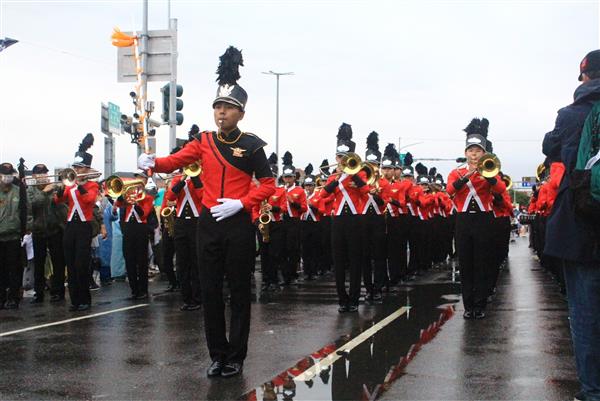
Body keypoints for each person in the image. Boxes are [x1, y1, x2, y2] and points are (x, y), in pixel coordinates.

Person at [138, 46, 276, 378]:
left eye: (228, 108)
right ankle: (217, 354)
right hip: (209, 224)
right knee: (210, 290)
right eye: (217, 107)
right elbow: (175, 162)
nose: (221, 113)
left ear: (240, 113)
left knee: (239, 291)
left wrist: (243, 203)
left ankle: (237, 355)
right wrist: (152, 162)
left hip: (239, 223)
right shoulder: (203, 141)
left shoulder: (253, 145)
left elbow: (269, 185)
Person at [542, 49, 600, 401]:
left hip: (580, 227)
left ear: (584, 78)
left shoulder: (569, 115)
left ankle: (593, 391)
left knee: (585, 314)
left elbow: (551, 147)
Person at [447, 118, 505, 320]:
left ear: (484, 153)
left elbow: (500, 189)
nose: (474, 154)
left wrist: (487, 176)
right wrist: (467, 176)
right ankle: (468, 305)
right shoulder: (456, 172)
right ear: (465, 153)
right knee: (466, 263)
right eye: (471, 150)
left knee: (482, 262)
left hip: (484, 220)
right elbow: (450, 191)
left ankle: (480, 304)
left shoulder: (489, 170)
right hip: (463, 221)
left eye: (478, 151)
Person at [321, 123, 369, 313]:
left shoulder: (360, 173)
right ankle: (342, 299)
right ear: (336, 158)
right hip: (338, 222)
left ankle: (355, 299)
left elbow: (366, 191)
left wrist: (354, 175)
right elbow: (323, 196)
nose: (342, 160)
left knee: (355, 260)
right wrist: (339, 177)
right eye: (340, 157)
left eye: (346, 157)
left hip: (356, 221)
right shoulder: (333, 178)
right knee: (339, 261)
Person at [54, 134, 99, 311]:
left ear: (87, 170)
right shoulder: (69, 185)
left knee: (81, 263)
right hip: (70, 226)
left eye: (79, 168)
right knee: (70, 263)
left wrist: (79, 184)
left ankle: (85, 299)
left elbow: (89, 200)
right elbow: (59, 201)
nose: (76, 170)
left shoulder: (92, 185)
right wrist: (59, 190)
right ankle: (74, 299)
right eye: (75, 167)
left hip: (84, 226)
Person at [164, 151, 203, 311]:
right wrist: (181, 180)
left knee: (196, 262)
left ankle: (197, 298)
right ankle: (186, 298)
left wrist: (195, 178)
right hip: (180, 223)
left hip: (196, 222)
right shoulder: (176, 180)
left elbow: (204, 196)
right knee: (181, 263)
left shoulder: (201, 179)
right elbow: (170, 197)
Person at [113, 171, 155, 300]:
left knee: (141, 261)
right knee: (129, 260)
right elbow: (118, 204)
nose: (138, 180)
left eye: (141, 178)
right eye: (136, 178)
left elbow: (144, 214)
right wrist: (121, 194)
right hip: (128, 228)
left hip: (140, 228)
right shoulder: (127, 194)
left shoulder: (147, 196)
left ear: (146, 180)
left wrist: (136, 203)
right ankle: (133, 289)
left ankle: (143, 290)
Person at [0, 162, 29, 309]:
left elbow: (25, 210)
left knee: (14, 269)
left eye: (9, 175)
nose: (7, 177)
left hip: (13, 235)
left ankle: (13, 297)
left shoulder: (19, 191)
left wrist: (24, 230)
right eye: (4, 175)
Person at [279, 151, 306, 285]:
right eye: (286, 177)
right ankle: (285, 276)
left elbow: (304, 208)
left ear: (294, 178)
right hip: (281, 221)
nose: (288, 179)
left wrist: (293, 202)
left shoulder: (299, 191)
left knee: (293, 248)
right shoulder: (279, 190)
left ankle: (293, 273)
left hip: (294, 221)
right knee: (282, 248)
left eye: (290, 177)